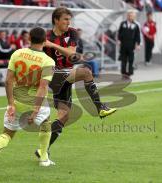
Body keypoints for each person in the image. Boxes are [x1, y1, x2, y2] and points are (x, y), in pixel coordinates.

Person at [35, 7, 117, 158]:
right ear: (56, 20)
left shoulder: (71, 33)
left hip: (66, 74)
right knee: (86, 72)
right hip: (53, 75)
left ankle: (42, 149)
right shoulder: (45, 36)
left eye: (69, 19)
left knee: (64, 115)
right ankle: (100, 107)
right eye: (65, 19)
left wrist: (53, 46)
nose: (68, 22)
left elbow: (71, 53)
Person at [0, 27, 55, 171]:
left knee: (7, 134)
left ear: (28, 38)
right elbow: (43, 88)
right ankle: (43, 158)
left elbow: (8, 81)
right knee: (46, 123)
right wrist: (35, 111)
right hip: (34, 102)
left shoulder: (17, 53)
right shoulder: (48, 61)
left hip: (17, 102)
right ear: (45, 40)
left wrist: (10, 104)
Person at [118, 9, 141, 78]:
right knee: (123, 59)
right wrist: (119, 40)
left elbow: (137, 35)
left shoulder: (136, 25)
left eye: (132, 16)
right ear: (127, 16)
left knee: (131, 59)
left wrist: (138, 44)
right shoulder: (123, 24)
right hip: (124, 44)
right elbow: (119, 33)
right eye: (129, 15)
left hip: (131, 45)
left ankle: (130, 72)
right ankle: (123, 72)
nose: (131, 17)